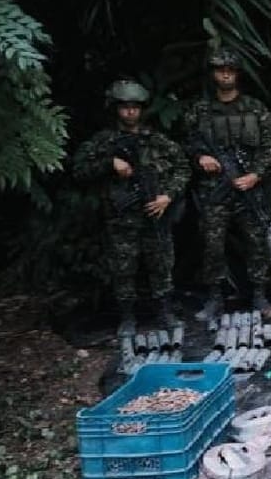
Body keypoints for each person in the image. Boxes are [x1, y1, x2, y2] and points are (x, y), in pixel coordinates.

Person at [72, 80, 189, 336]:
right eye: (124, 107)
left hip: (155, 213)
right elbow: (79, 170)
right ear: (116, 109)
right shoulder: (103, 142)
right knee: (123, 270)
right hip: (121, 219)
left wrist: (167, 196)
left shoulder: (156, 141)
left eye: (135, 107)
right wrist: (109, 163)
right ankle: (127, 317)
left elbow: (183, 167)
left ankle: (165, 312)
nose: (130, 112)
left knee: (161, 265)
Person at [183, 48, 271, 321]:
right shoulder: (199, 110)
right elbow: (186, 144)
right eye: (219, 69)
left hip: (248, 188)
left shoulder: (254, 108)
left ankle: (260, 296)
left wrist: (256, 174)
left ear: (238, 74)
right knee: (212, 244)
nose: (225, 74)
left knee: (257, 243)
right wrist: (201, 157)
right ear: (213, 74)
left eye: (230, 69)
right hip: (214, 191)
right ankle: (215, 298)